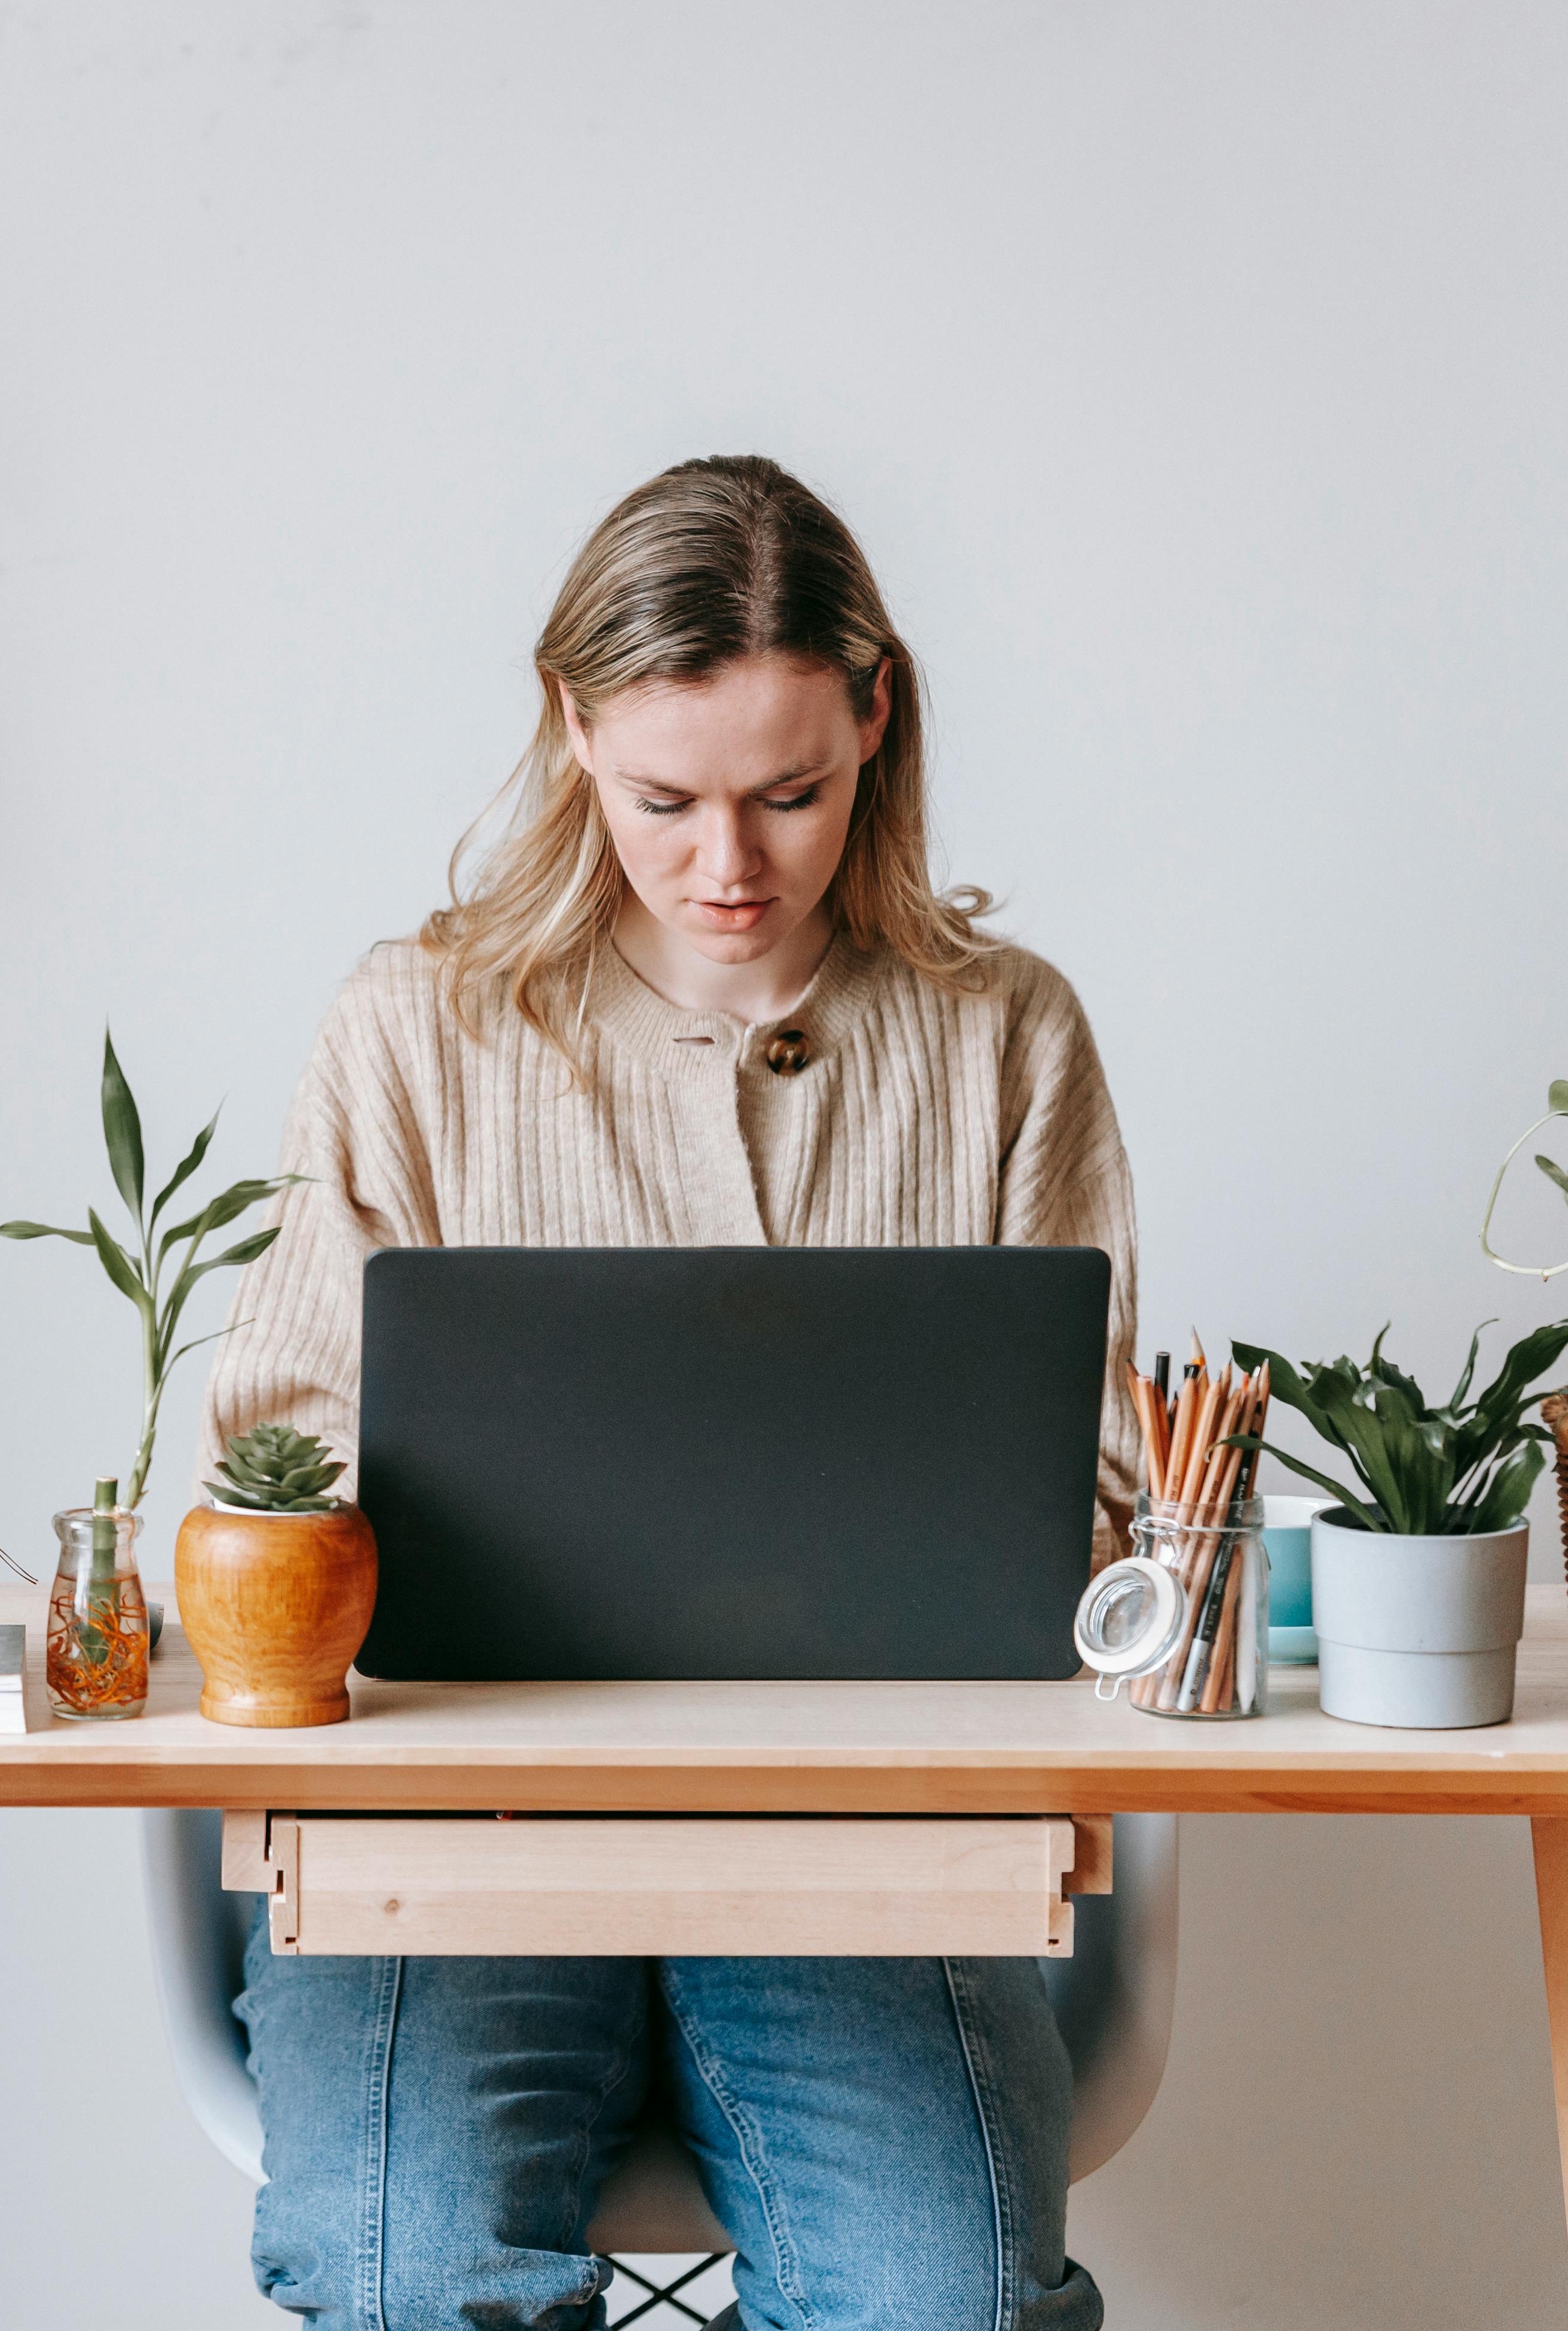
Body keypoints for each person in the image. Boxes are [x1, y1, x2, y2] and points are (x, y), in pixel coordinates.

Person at [200, 454, 1137, 2331]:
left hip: (870, 1861)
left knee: (938, 2301)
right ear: (570, 731)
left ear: (875, 717)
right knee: (407, 2282)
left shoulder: (1003, 1032)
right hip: (451, 1855)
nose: (732, 865)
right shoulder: (417, 1025)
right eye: (665, 800)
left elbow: (1096, 1504)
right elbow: (275, 1456)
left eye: (791, 793)